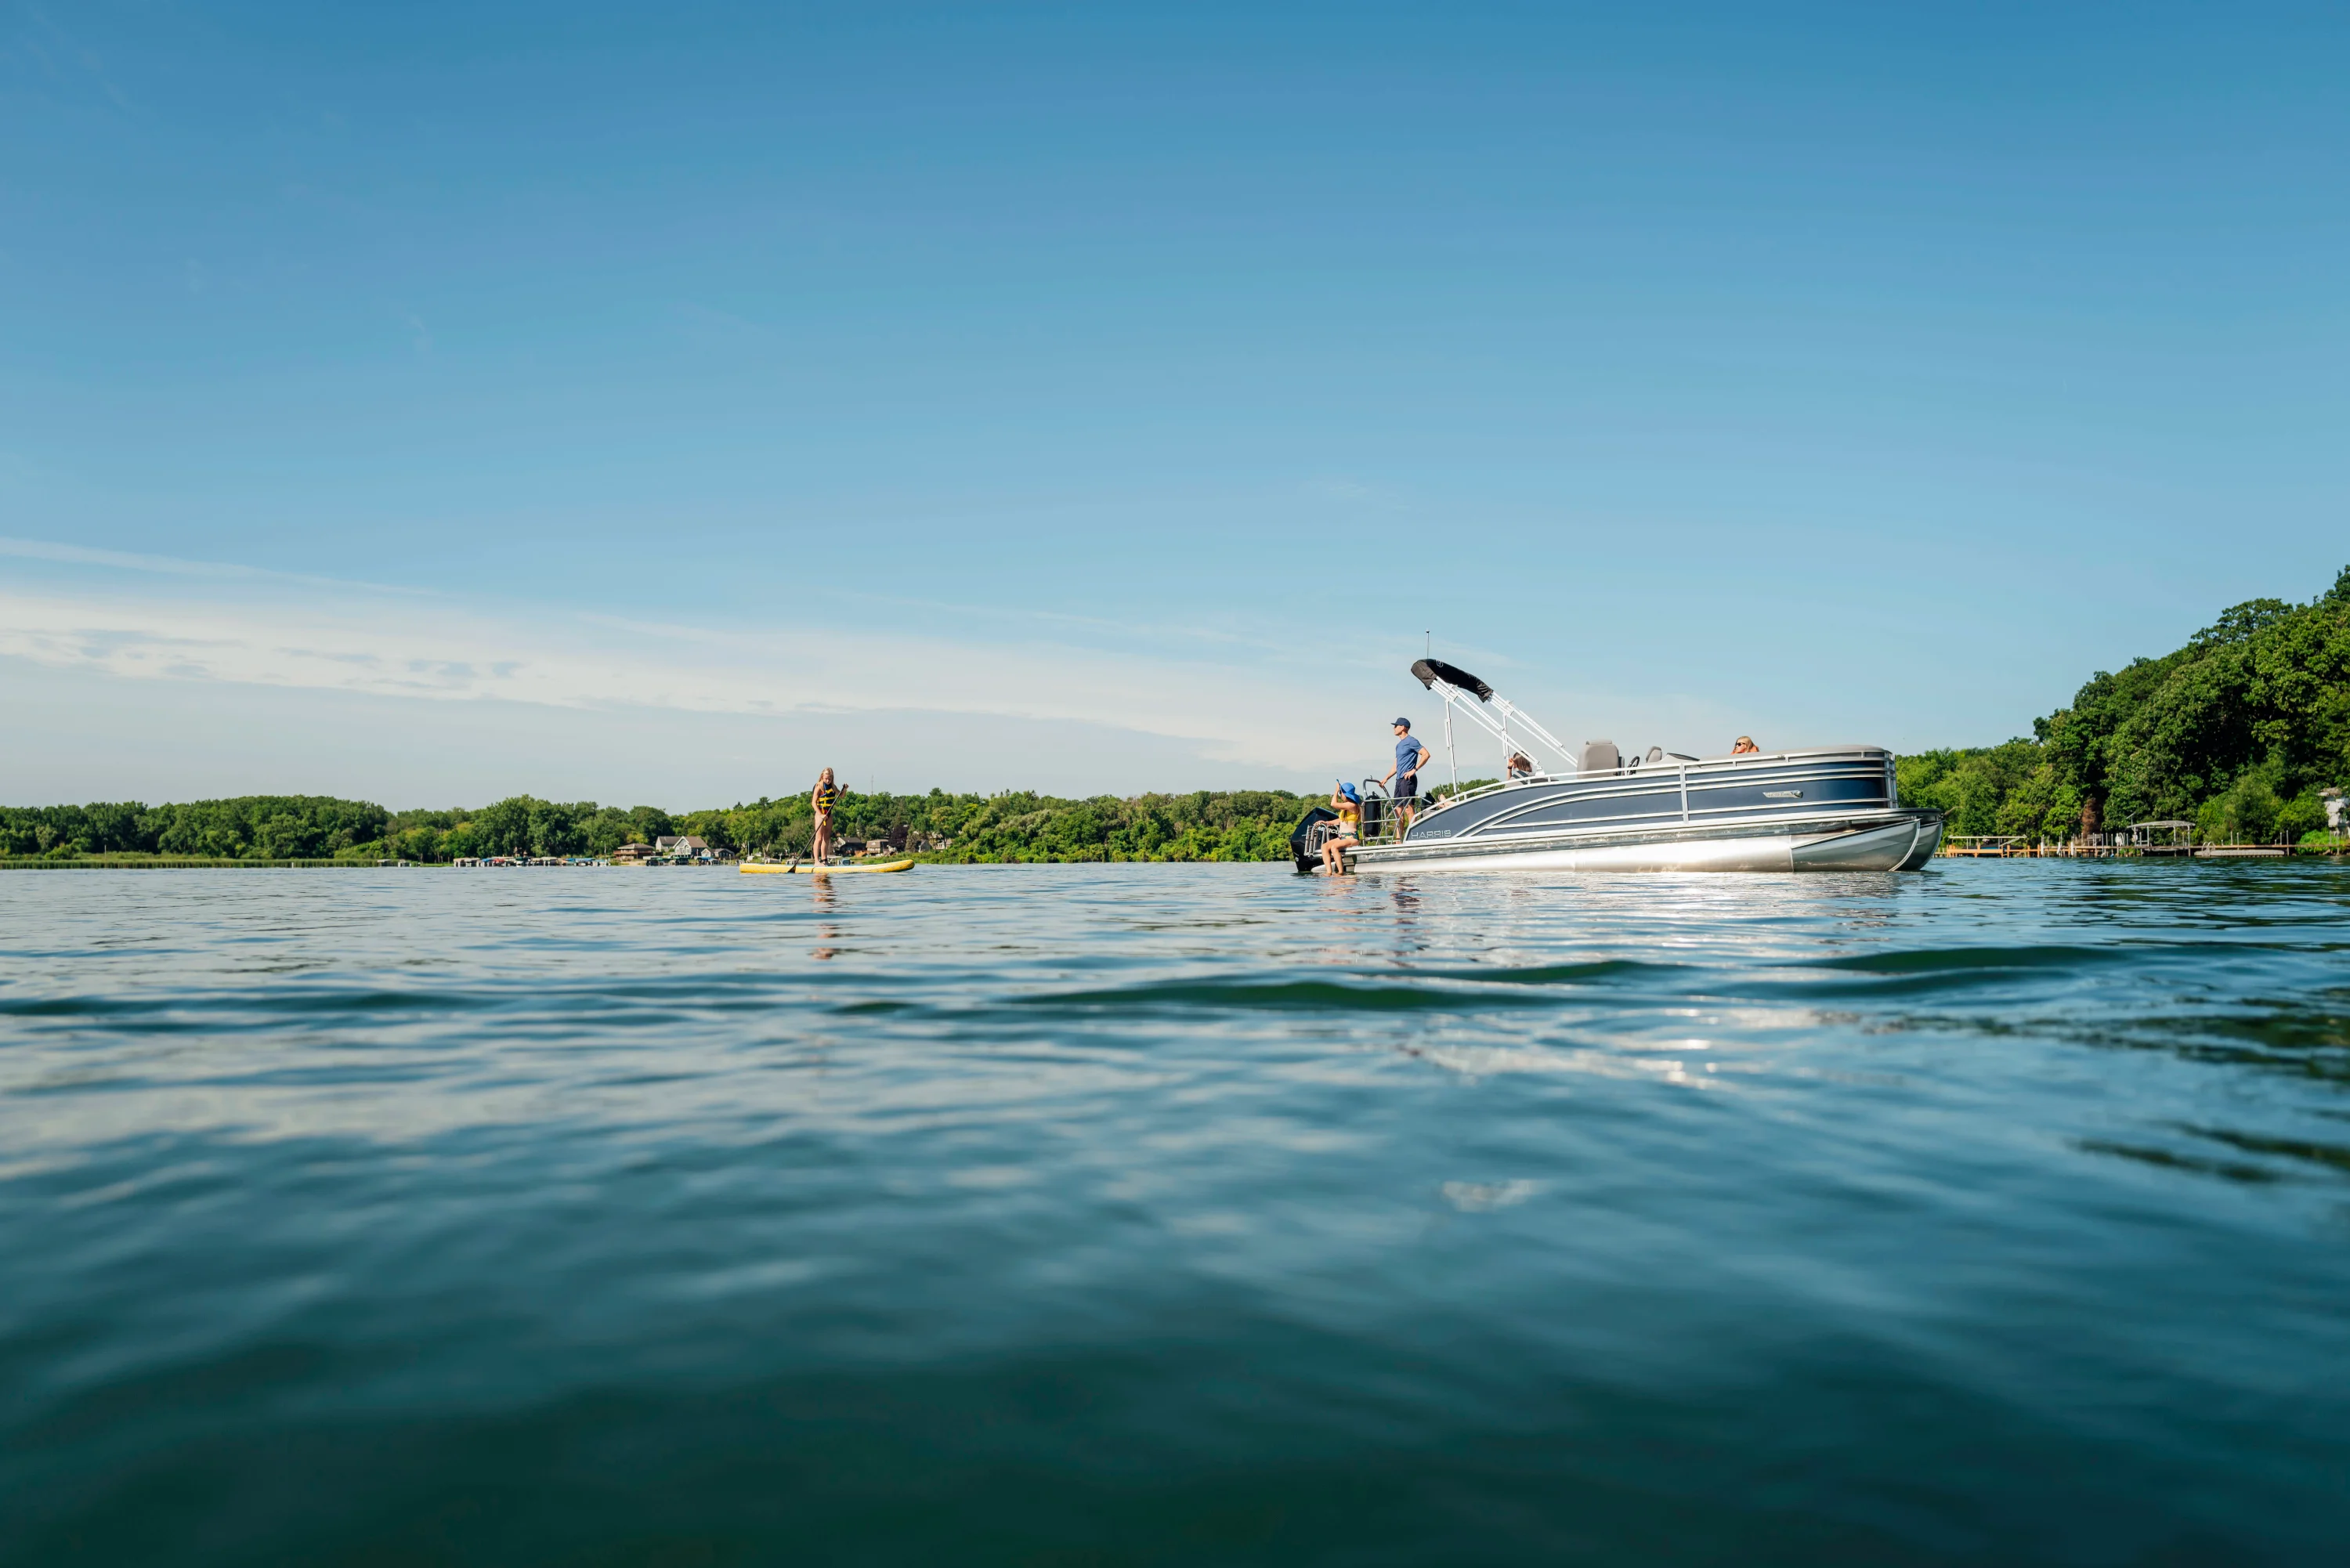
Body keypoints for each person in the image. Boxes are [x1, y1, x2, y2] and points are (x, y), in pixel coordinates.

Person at [1380, 718, 1433, 829]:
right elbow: (1396, 765)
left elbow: (1426, 755)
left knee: (1408, 809)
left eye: (1396, 726)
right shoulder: (1398, 745)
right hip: (1399, 780)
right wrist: (1386, 778)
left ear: (1403, 727)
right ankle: (1399, 839)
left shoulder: (1411, 741)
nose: (1394, 728)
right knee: (1398, 812)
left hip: (1408, 780)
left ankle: (1414, 835)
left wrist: (1414, 770)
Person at [1321, 782, 1361, 873]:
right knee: (1324, 846)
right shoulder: (1346, 807)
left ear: (1345, 794)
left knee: (1334, 847)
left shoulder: (1352, 805)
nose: (1340, 795)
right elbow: (1341, 820)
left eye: (1341, 793)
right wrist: (1327, 823)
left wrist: (1336, 791)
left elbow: (1333, 804)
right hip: (1342, 837)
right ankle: (1329, 872)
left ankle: (1340, 872)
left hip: (1351, 837)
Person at [810, 768, 841, 864]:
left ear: (832, 778)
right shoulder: (819, 786)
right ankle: (816, 861)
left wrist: (845, 789)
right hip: (820, 814)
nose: (827, 781)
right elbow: (813, 803)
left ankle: (824, 860)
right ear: (822, 777)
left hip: (829, 814)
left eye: (829, 779)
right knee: (819, 838)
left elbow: (841, 795)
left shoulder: (833, 787)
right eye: (826, 779)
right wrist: (821, 814)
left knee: (827, 838)